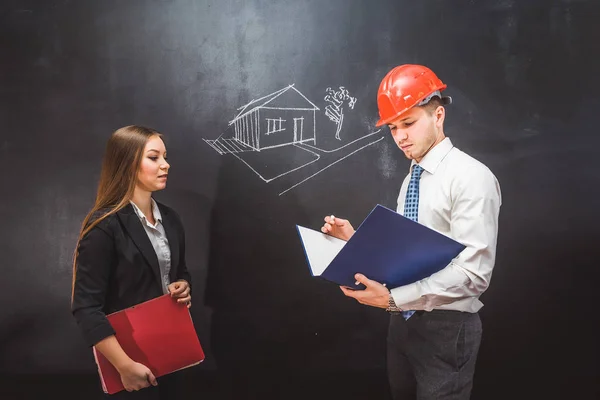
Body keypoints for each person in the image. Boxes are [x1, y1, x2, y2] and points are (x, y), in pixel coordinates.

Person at [321, 64, 502, 399]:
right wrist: (356, 242)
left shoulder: (471, 178)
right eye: (392, 128)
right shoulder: (412, 178)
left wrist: (392, 299)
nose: (400, 136)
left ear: (438, 115)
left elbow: (474, 274)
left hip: (447, 330)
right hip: (403, 326)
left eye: (408, 123)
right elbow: (410, 255)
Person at [71, 125, 193, 399]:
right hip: (129, 362)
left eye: (165, 156)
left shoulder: (171, 219)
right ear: (127, 163)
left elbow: (179, 272)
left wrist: (183, 285)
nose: (166, 165)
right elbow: (86, 307)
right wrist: (124, 365)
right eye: (154, 157)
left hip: (173, 352)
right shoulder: (104, 225)